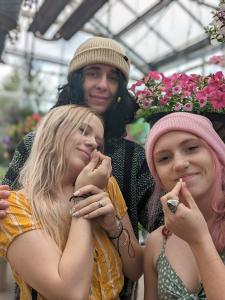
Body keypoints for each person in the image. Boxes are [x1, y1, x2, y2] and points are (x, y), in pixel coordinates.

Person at [0, 36, 159, 299]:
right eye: (93, 74)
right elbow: (11, 202)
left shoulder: (132, 156)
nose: (102, 85)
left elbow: (157, 222)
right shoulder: (34, 143)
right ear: (76, 80)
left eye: (113, 78)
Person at [0, 104, 143, 300]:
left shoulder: (107, 186)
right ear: (53, 132)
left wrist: (114, 227)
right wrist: (82, 198)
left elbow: (135, 271)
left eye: (98, 142)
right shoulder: (14, 206)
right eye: (83, 130)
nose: (93, 143)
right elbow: (71, 294)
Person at [143, 112, 225, 299]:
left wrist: (199, 240)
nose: (179, 164)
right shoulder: (157, 241)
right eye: (164, 158)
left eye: (192, 148)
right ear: (159, 177)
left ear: (217, 155)